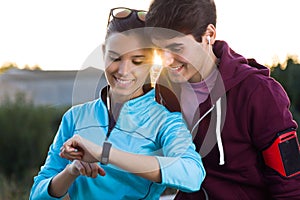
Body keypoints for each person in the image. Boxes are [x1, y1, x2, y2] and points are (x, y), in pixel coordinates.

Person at [29, 7, 205, 200]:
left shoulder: (165, 120)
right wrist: (72, 171)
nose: (123, 70)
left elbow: (192, 174)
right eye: (115, 58)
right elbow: (37, 194)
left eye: (137, 61)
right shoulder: (75, 117)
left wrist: (104, 154)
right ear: (104, 52)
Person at [145, 0, 300, 199]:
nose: (166, 60)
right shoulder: (163, 90)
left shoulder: (258, 93)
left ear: (209, 35)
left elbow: (290, 184)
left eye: (176, 48)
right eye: (159, 49)